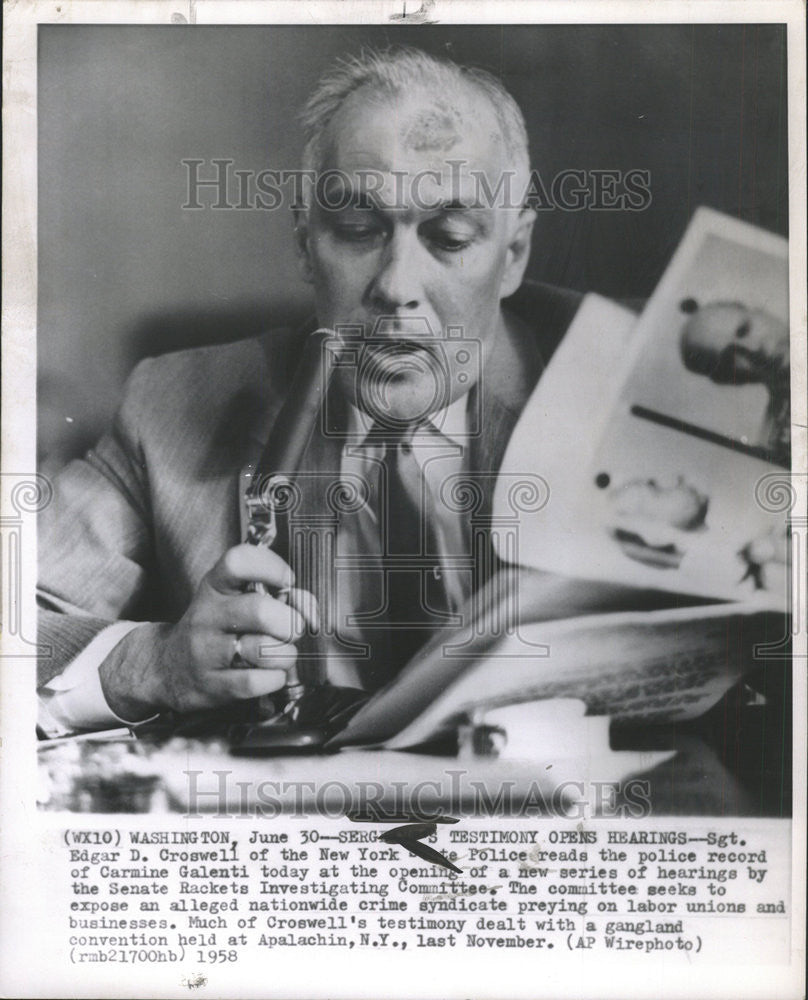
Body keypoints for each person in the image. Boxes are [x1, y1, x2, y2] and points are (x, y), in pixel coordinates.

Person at [37, 46, 582, 735]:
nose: (395, 286)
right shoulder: (172, 404)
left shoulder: (613, 391)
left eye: (448, 238)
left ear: (514, 256)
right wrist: (155, 663)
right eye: (357, 231)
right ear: (304, 243)